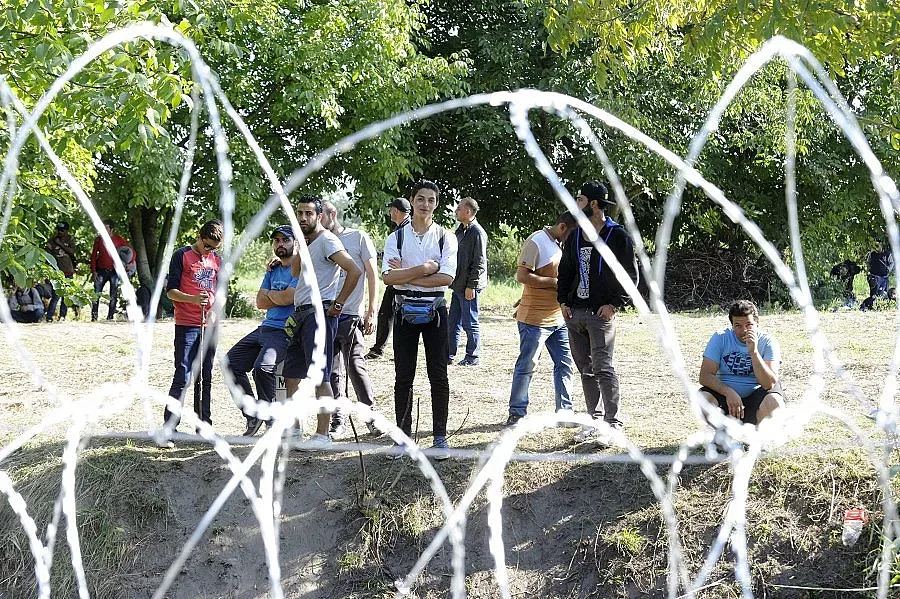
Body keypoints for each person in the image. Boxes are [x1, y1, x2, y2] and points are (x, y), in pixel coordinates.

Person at [382, 180, 458, 460]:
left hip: (436, 312)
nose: (426, 204)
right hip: (403, 311)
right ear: (412, 200)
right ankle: (403, 439)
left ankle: (439, 437)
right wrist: (426, 268)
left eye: (431, 200)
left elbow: (447, 278)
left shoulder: (445, 237)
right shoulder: (396, 238)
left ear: (436, 204)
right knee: (403, 376)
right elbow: (388, 278)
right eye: (421, 199)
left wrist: (407, 274)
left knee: (438, 375)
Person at [558, 180, 638, 445]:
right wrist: (563, 302)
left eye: (580, 200)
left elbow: (630, 275)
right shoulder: (574, 235)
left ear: (593, 204)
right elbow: (565, 271)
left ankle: (613, 425)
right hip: (575, 313)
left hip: (601, 315)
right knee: (586, 369)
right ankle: (594, 421)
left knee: (603, 368)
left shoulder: (618, 236)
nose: (576, 204)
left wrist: (614, 304)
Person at [283, 196, 361, 450]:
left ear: (320, 216)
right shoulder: (307, 242)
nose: (303, 218)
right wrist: (300, 245)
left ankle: (323, 434)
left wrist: (338, 304)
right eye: (300, 213)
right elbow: (295, 272)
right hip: (300, 314)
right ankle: (295, 430)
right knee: (291, 375)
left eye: (308, 213)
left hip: (319, 315)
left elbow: (354, 270)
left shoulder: (328, 240)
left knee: (320, 375)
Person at [225, 225, 299, 437]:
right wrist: (279, 296)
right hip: (265, 327)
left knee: (263, 367)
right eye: (276, 240)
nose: (280, 244)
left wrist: (272, 295)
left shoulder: (300, 268)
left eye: (285, 240)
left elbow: (289, 297)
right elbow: (259, 302)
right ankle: (253, 415)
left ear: (295, 243)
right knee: (229, 363)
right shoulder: (272, 270)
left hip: (285, 331)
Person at [506, 211, 578, 426]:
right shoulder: (537, 241)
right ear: (563, 227)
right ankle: (517, 412)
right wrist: (556, 284)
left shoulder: (561, 244)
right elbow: (522, 276)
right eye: (573, 233)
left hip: (559, 317)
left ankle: (565, 411)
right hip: (534, 319)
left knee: (565, 364)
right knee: (527, 365)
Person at [159, 219, 224, 446]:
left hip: (210, 326)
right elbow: (171, 292)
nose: (209, 251)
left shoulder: (216, 259)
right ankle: (169, 428)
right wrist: (193, 299)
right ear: (198, 236)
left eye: (214, 248)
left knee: (205, 376)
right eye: (207, 246)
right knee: (183, 375)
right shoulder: (182, 255)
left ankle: (204, 426)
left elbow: (221, 291)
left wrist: (215, 310)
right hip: (187, 324)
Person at [321, 201, 379, 437]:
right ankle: (338, 420)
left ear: (332, 214)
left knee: (355, 365)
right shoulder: (317, 241)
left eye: (320, 215)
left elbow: (372, 274)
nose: (315, 220)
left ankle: (371, 417)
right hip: (325, 316)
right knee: (332, 371)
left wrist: (371, 310)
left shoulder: (358, 237)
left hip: (351, 314)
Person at [698, 300, 784, 425]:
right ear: (732, 325)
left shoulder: (767, 342)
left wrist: (754, 352)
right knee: (702, 400)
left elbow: (769, 383)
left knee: (775, 403)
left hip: (757, 394)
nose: (744, 330)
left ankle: (759, 433)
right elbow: (705, 376)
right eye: (738, 325)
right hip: (726, 396)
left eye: (749, 324)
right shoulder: (720, 338)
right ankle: (723, 432)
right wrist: (729, 392)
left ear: (757, 323)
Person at [365, 198, 412, 359]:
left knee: (396, 315)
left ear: (396, 211)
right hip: (397, 279)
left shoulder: (407, 230)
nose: (390, 212)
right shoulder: (402, 229)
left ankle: (383, 349)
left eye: (391, 209)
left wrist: (402, 267)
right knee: (387, 313)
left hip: (402, 279)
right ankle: (382, 349)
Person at [448, 197, 488, 366]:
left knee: (470, 322)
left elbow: (479, 262)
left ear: (468, 212)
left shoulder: (477, 233)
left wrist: (471, 285)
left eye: (459, 208)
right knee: (452, 322)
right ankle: (448, 354)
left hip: (469, 286)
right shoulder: (460, 231)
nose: (456, 211)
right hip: (458, 285)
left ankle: (473, 356)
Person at [89, 219, 135, 321]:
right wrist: (94, 271)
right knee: (96, 293)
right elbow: (93, 256)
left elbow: (131, 251)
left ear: (111, 229)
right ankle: (94, 317)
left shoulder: (119, 239)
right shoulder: (98, 239)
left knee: (113, 295)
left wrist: (131, 263)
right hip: (101, 270)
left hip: (114, 271)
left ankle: (110, 317)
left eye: (106, 228)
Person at [46, 221, 79, 320]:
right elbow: (47, 254)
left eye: (62, 230)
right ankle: (49, 317)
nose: (60, 232)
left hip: (68, 271)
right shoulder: (52, 241)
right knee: (55, 295)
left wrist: (60, 244)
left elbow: (72, 251)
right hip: (56, 273)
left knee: (66, 295)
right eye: (58, 230)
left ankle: (62, 316)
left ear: (67, 231)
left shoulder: (70, 240)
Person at [860, 241, 894, 311]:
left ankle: (883, 306)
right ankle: (871, 306)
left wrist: (888, 270)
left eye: (877, 246)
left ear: (881, 245)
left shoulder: (887, 254)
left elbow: (892, 263)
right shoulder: (872, 254)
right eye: (875, 246)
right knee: (874, 294)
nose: (876, 247)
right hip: (874, 277)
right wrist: (869, 269)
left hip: (884, 277)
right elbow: (868, 262)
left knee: (883, 294)